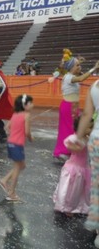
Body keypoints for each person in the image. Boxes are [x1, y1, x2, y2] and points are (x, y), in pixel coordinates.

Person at [53, 49, 99, 160]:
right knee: (67, 129)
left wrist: (79, 62)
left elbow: (76, 70)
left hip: (72, 107)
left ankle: (67, 151)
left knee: (72, 128)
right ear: (71, 68)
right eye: (77, 65)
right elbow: (81, 78)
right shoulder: (69, 77)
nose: (80, 67)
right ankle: (63, 151)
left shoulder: (70, 74)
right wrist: (94, 68)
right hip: (68, 106)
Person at [53, 116, 91, 216]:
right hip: (74, 168)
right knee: (71, 190)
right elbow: (71, 146)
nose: (91, 130)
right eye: (89, 127)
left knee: (80, 190)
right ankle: (68, 207)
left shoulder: (86, 138)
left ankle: (78, 205)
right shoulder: (75, 138)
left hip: (83, 168)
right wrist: (81, 145)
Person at [76, 80, 99, 247]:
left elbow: (86, 115)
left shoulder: (95, 85)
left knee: (97, 184)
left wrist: (77, 138)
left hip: (96, 139)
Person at [0, 94, 33, 201]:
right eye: (30, 103)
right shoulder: (26, 115)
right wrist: (31, 138)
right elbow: (27, 132)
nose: (32, 105)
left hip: (11, 143)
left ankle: (4, 180)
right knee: (18, 168)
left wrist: (14, 133)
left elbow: (7, 127)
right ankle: (11, 193)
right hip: (17, 145)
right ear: (25, 105)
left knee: (22, 165)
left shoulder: (15, 114)